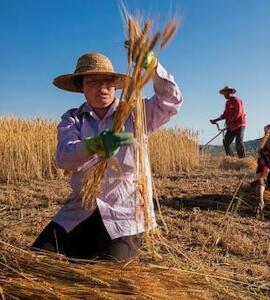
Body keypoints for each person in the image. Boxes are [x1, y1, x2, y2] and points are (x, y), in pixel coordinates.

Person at [32, 52, 183, 261]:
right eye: (93, 82)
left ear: (115, 85)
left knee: (106, 274)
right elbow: (63, 157)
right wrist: (93, 146)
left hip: (125, 215)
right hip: (80, 210)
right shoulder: (73, 119)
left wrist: (153, 66)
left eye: (107, 81)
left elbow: (171, 101)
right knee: (36, 259)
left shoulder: (136, 113)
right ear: (81, 88)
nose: (102, 88)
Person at [210, 86, 246, 158]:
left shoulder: (237, 100)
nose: (225, 95)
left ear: (230, 92)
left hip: (239, 124)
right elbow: (225, 115)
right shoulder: (228, 103)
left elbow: (239, 113)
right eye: (224, 94)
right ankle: (231, 159)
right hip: (231, 126)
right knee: (226, 142)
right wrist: (215, 120)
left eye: (226, 93)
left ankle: (242, 160)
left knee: (238, 142)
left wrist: (229, 120)